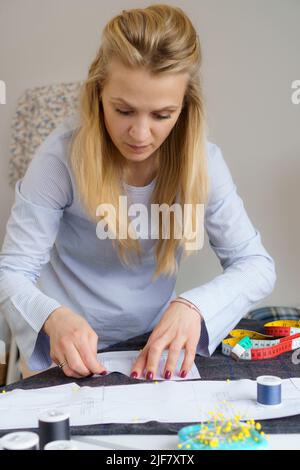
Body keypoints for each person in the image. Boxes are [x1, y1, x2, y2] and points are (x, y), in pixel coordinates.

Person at [0, 4, 276, 381]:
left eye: (162, 115)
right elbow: (11, 271)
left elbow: (257, 265)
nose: (141, 135)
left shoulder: (204, 162)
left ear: (185, 108)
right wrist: (51, 316)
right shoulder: (59, 157)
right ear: (98, 93)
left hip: (150, 349)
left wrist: (193, 306)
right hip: (64, 355)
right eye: (124, 110)